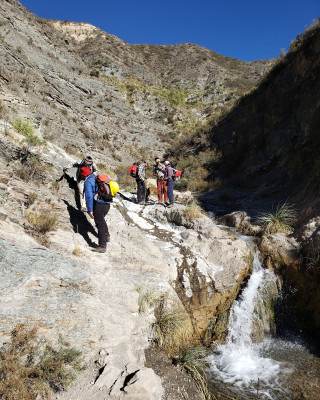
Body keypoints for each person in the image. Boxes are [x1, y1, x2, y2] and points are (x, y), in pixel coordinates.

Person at [84, 173, 112, 253]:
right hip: (107, 204)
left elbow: (89, 196)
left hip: (99, 205)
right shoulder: (100, 179)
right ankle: (106, 236)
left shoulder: (88, 182)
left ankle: (102, 246)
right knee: (101, 221)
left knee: (100, 225)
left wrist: (90, 210)